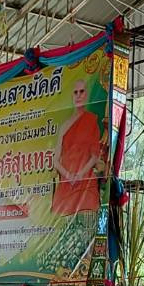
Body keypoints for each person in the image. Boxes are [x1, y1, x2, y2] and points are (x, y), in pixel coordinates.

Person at [51, 77, 104, 216]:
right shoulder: (64, 126)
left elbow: (94, 156)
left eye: (82, 91)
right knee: (59, 216)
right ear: (72, 96)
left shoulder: (91, 120)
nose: (79, 95)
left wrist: (80, 175)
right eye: (75, 92)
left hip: (85, 178)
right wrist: (68, 175)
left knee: (89, 213)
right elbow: (55, 160)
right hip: (66, 180)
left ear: (86, 95)